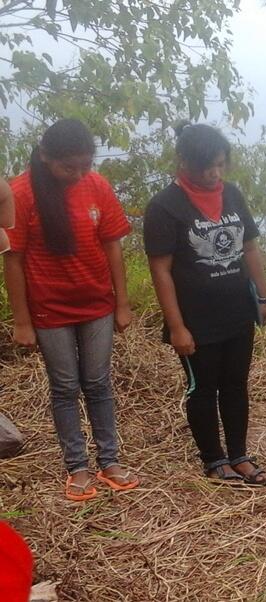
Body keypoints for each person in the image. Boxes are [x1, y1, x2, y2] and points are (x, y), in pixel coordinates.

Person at [2, 118, 139, 501]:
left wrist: (121, 303)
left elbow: (113, 245)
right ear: (46, 157)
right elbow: (13, 260)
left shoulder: (96, 185)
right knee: (65, 387)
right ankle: (77, 467)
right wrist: (22, 322)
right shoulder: (21, 192)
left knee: (98, 383)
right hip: (49, 310)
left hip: (96, 304)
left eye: (84, 165)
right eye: (68, 167)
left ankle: (109, 461)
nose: (78, 174)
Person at [144, 122, 266, 486]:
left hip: (236, 312)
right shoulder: (165, 207)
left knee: (236, 385)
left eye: (219, 164)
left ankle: (239, 454)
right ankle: (214, 459)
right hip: (196, 320)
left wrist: (262, 296)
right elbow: (161, 271)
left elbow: (249, 247)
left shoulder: (231, 193)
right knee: (203, 388)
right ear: (183, 161)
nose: (214, 173)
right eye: (206, 166)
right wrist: (178, 326)